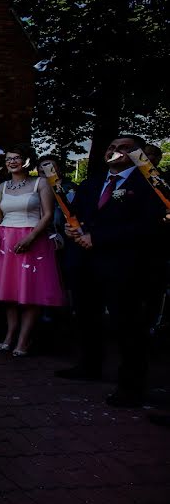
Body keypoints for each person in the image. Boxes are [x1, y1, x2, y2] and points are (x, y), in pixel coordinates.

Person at [57, 135, 166, 407]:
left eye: (124, 148)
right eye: (112, 147)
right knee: (86, 315)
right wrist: (73, 230)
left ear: (137, 154)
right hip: (86, 261)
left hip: (125, 264)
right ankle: (89, 365)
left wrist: (99, 238)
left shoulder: (150, 183)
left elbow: (149, 226)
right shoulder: (93, 182)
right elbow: (77, 214)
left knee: (127, 324)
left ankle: (130, 385)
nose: (115, 152)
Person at [0, 145, 64, 356]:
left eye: (16, 158)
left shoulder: (40, 183)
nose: (12, 162)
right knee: (9, 292)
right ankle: (10, 333)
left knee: (30, 292)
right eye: (8, 158)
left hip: (32, 238)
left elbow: (48, 214)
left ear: (26, 161)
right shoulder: (3, 186)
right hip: (5, 240)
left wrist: (31, 237)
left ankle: (24, 339)